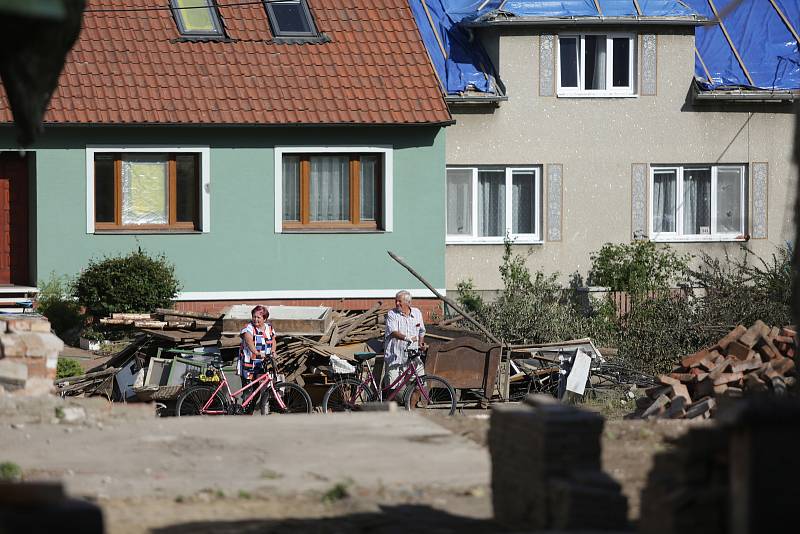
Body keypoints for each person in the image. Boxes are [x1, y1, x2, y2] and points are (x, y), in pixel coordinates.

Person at [384, 290, 426, 388]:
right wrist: (407, 338)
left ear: (408, 303)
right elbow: (393, 332)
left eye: (399, 301)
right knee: (393, 389)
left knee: (419, 385)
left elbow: (421, 331)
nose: (397, 303)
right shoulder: (392, 314)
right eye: (396, 301)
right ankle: (391, 403)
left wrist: (421, 343)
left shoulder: (417, 313)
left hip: (413, 357)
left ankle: (411, 404)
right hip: (395, 357)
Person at [238, 305, 276, 390]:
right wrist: (257, 353)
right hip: (249, 364)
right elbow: (249, 341)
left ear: (265, 319)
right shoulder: (248, 327)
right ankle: (245, 403)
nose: (255, 319)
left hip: (262, 364)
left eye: (258, 317)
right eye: (254, 317)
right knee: (248, 391)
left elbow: (273, 340)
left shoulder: (269, 328)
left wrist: (273, 351)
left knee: (258, 390)